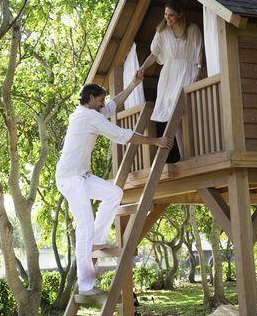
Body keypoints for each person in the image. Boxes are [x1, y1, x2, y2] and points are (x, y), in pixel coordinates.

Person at [55, 73, 173, 296]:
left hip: (81, 176)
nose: (102, 104)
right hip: (69, 178)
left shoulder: (89, 112)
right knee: (85, 225)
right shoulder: (87, 117)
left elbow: (112, 106)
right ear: (90, 98)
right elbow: (122, 135)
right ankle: (86, 285)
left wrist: (133, 85)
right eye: (99, 100)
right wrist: (154, 141)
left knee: (113, 193)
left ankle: (96, 242)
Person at [138, 0, 203, 160]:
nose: (168, 18)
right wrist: (142, 68)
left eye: (171, 15)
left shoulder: (192, 29)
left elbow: (199, 53)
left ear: (180, 14)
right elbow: (154, 54)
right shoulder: (162, 31)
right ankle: (183, 155)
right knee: (175, 116)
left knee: (188, 113)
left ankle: (196, 152)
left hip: (188, 72)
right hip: (169, 76)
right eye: (166, 14)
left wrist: (199, 73)